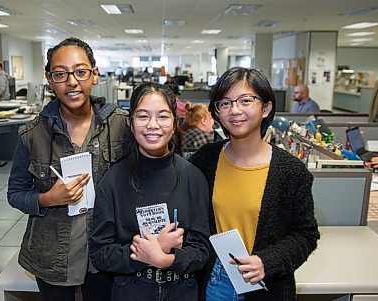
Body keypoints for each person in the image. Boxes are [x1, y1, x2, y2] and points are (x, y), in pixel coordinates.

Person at [7, 37, 131, 301]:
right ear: (50, 80)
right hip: (53, 254)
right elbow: (15, 193)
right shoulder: (32, 134)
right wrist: (46, 199)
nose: (72, 82)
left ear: (94, 75)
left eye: (80, 72)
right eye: (61, 74)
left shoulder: (122, 126)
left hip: (107, 252)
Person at [189, 67, 320, 301]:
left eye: (245, 100)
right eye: (225, 103)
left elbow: (306, 235)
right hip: (215, 281)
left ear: (266, 107)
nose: (235, 110)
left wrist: (267, 262)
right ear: (217, 112)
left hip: (264, 283)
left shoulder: (290, 171)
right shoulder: (205, 159)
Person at [89, 82, 211, 301]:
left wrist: (167, 259)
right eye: (143, 116)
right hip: (131, 289)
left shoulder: (193, 178)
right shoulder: (112, 181)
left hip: (182, 289)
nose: (153, 125)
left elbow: (202, 250)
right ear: (131, 123)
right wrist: (149, 252)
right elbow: (100, 253)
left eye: (163, 116)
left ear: (175, 124)